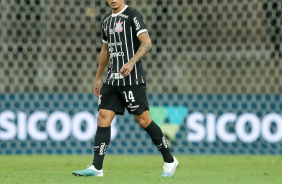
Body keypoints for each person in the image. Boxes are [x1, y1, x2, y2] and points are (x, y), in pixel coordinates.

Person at [72, 0, 179, 177]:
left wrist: (131, 62)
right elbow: (105, 50)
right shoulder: (106, 20)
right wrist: (98, 78)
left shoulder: (133, 15)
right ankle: (96, 167)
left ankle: (169, 160)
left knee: (143, 120)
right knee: (103, 118)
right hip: (112, 79)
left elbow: (147, 43)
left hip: (132, 78)